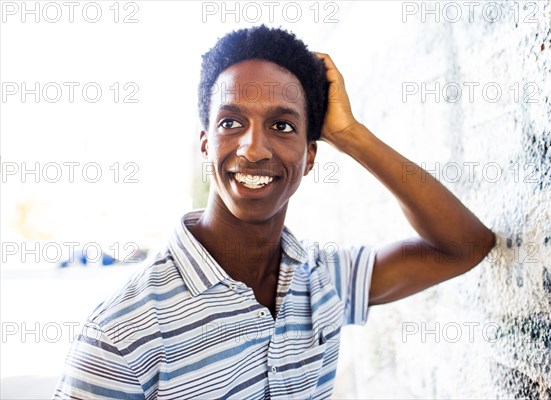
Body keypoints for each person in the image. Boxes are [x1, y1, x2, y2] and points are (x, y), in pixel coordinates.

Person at [54, 25, 495, 399]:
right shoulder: (121, 336)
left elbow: (462, 246)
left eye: (282, 126)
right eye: (231, 123)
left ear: (309, 157)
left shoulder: (319, 281)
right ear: (206, 144)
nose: (253, 147)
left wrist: (353, 135)